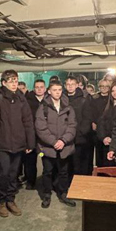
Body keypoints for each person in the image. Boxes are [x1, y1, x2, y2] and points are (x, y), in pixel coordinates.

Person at [0, 69, 35, 218]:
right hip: (2, 143)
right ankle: (1, 201)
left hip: (18, 143)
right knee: (2, 173)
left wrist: (30, 142)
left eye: (16, 80)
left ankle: (10, 199)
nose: (14, 83)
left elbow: (27, 120)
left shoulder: (21, 98)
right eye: (11, 81)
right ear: (4, 83)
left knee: (13, 174)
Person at [35, 80, 77, 208]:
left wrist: (63, 140)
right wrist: (54, 142)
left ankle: (63, 193)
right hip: (48, 148)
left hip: (64, 146)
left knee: (63, 172)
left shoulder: (68, 107)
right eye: (54, 90)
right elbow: (41, 128)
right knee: (47, 171)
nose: (57, 92)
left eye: (59, 90)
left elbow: (72, 126)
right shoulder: (43, 108)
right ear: (49, 91)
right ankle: (46, 194)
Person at [64, 75, 93, 177]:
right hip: (65, 137)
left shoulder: (84, 99)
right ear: (65, 86)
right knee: (67, 164)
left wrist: (81, 132)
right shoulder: (62, 99)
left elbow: (87, 118)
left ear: (77, 85)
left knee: (79, 164)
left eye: (72, 84)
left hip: (79, 138)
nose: (70, 86)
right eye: (68, 84)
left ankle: (79, 183)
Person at [23, 79, 47, 189]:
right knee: (30, 160)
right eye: (37, 87)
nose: (39, 89)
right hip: (32, 135)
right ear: (33, 89)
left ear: (45, 89)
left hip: (45, 137)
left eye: (41, 87)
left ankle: (47, 182)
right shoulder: (27, 101)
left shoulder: (50, 101)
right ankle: (30, 181)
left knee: (45, 158)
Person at [95, 80, 116, 168]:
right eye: (113, 91)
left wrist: (112, 139)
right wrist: (103, 137)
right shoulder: (108, 105)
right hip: (106, 142)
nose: (115, 93)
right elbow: (101, 122)